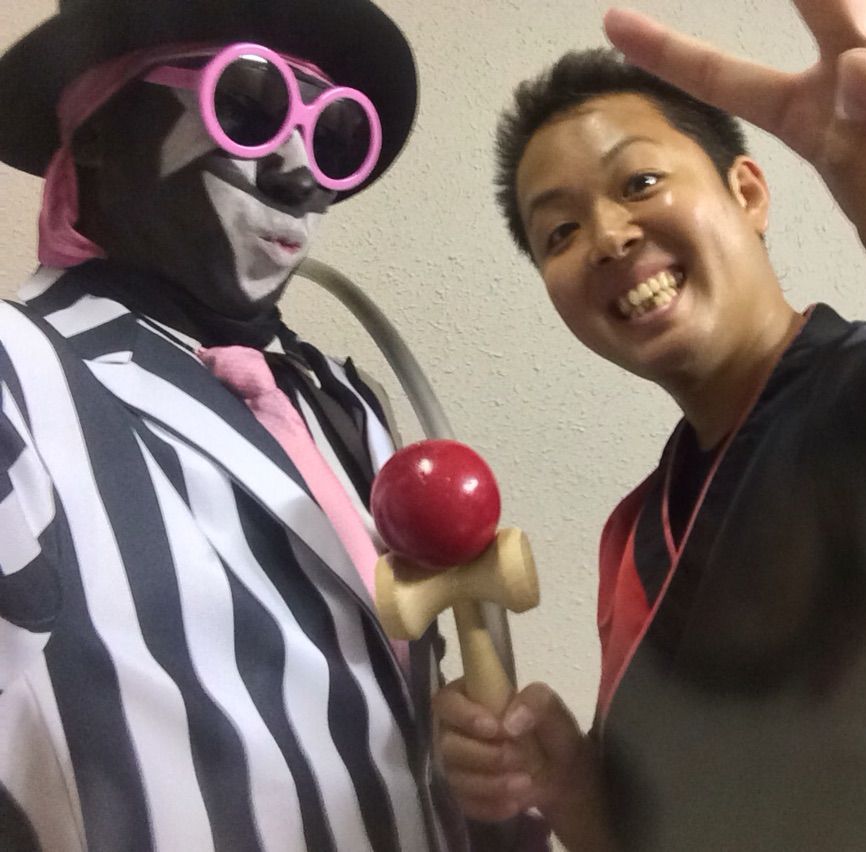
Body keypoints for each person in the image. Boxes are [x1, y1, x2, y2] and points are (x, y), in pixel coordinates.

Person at [434, 1, 866, 849]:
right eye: (560, 231)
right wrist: (575, 791)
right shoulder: (634, 540)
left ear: (747, 192)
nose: (609, 237)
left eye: (639, 183)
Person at [0, 0, 547, 849]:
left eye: (334, 138)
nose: (302, 175)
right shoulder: (16, 380)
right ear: (99, 132)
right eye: (247, 108)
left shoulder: (343, 400)